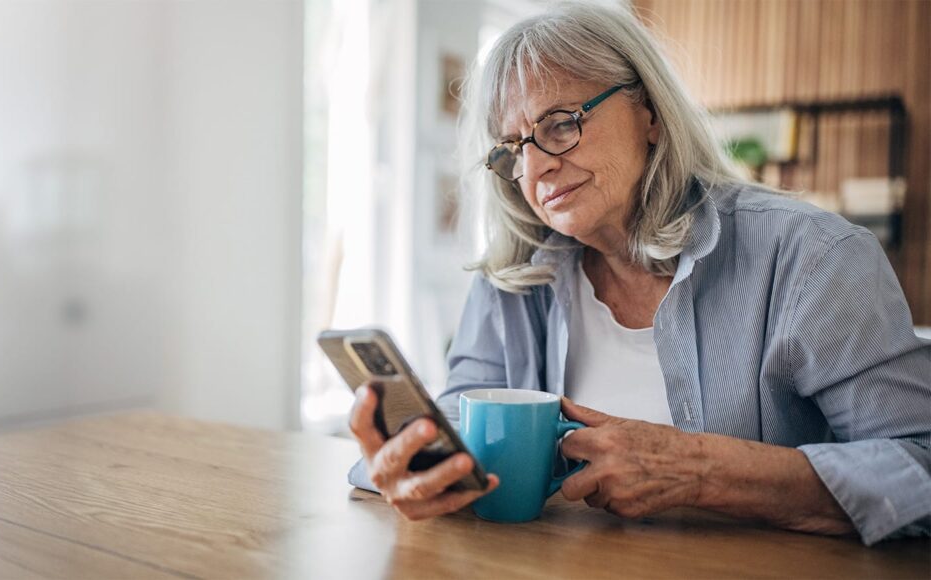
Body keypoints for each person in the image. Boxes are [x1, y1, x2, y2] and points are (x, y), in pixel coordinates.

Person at [346, 2, 931, 545]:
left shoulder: (811, 256)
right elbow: (460, 422)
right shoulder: (515, 277)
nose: (536, 166)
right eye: (512, 147)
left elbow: (920, 466)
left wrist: (699, 471)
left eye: (560, 123)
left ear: (649, 112)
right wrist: (414, 464)